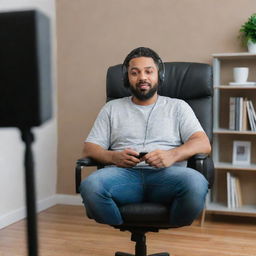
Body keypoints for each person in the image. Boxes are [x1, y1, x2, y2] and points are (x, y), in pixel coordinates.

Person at [79, 47, 211, 227]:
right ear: (127, 79)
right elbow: (89, 148)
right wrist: (113, 157)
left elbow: (203, 143)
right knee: (90, 186)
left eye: (149, 71)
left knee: (197, 183)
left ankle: (170, 224)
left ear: (159, 76)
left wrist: (171, 155)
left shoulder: (178, 107)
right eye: (135, 73)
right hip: (123, 176)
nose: (142, 77)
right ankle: (123, 226)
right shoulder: (112, 108)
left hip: (168, 176)